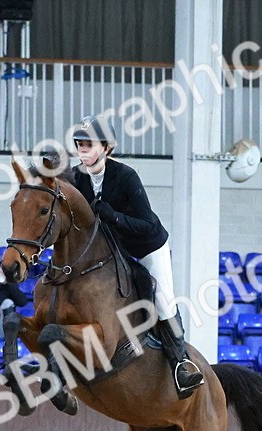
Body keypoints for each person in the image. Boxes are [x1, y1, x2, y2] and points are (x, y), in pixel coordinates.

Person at [68, 114, 204, 399]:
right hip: (112, 251)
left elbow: (148, 224)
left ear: (106, 147)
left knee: (164, 298)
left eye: (89, 144)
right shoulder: (76, 177)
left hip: (146, 246)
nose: (83, 150)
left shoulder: (126, 176)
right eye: (79, 144)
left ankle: (181, 362)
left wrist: (114, 217)